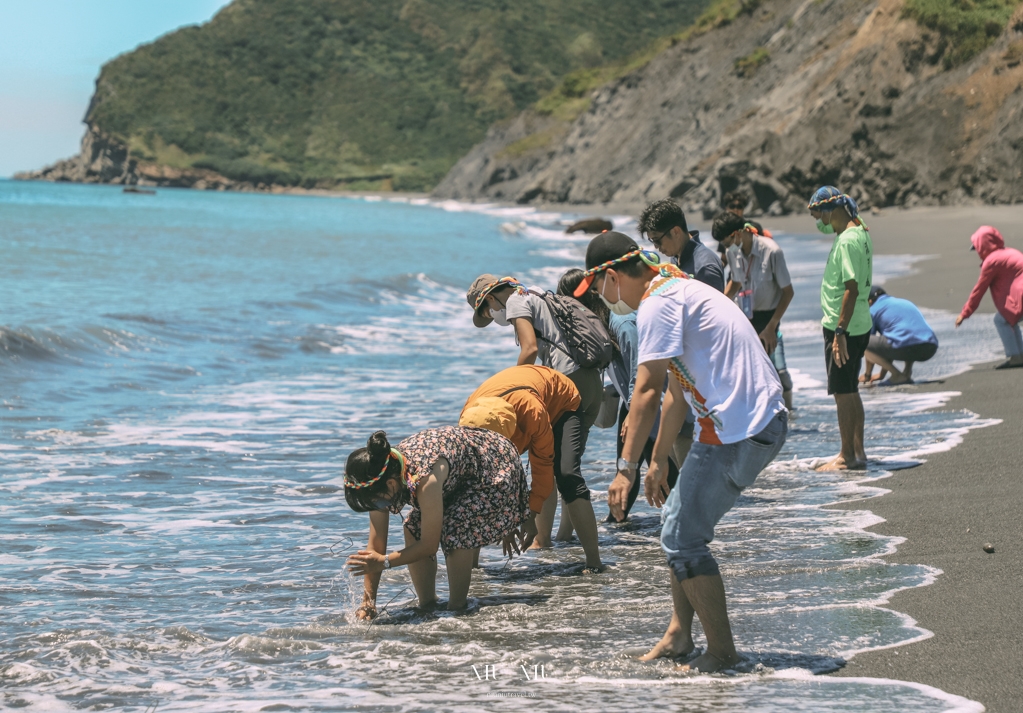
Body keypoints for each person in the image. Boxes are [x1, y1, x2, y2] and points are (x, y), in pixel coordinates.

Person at [574, 232, 788, 673]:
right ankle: (678, 634)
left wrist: (625, 469)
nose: (604, 301)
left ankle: (723, 653)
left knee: (681, 536)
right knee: (677, 519)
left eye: (599, 290)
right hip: (751, 417)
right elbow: (675, 389)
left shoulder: (658, 304)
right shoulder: (675, 286)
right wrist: (656, 461)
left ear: (612, 277)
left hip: (741, 427)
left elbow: (646, 391)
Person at [466, 274, 605, 568]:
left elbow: (529, 349)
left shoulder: (516, 301)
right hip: (592, 381)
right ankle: (563, 537)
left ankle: (551, 542)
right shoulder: (538, 293)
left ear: (490, 299)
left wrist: (518, 382)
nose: (494, 317)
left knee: (556, 466)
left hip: (566, 382)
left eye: (489, 313)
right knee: (567, 469)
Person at [346, 428, 531, 617]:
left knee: (458, 527)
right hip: (459, 474)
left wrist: (384, 562)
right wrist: (368, 603)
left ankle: (458, 608)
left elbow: (429, 545)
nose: (379, 507)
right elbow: (375, 548)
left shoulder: (425, 480)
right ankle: (427, 606)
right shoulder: (382, 475)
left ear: (391, 485)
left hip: (495, 464)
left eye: (378, 502)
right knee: (413, 526)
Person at [559, 269, 679, 522]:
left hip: (647, 402)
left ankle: (682, 521)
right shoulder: (602, 325)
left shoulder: (621, 324)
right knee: (629, 465)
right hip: (632, 402)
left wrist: (633, 411)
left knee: (650, 464)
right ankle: (621, 520)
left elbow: (641, 372)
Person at [458, 364, 603, 571]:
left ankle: (594, 563)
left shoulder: (531, 412)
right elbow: (483, 483)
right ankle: (472, 569)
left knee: (566, 474)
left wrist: (529, 515)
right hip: (521, 390)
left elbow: (541, 468)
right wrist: (506, 524)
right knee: (473, 486)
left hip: (562, 400)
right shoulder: (469, 418)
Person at [808, 186, 873, 472]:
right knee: (850, 389)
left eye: (817, 215)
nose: (818, 223)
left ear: (830, 211)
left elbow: (851, 288)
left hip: (844, 326)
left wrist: (839, 333)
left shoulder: (847, 240)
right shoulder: (860, 231)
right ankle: (858, 452)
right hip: (859, 323)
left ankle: (847, 456)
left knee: (843, 393)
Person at [712, 211, 795, 409]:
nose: (726, 248)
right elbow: (737, 282)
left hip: (768, 318)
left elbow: (788, 292)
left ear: (738, 233)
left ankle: (780, 414)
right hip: (746, 315)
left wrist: (771, 327)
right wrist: (717, 305)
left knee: (770, 373)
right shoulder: (734, 252)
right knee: (748, 372)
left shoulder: (772, 251)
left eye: (726, 242)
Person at [955, 226, 1023, 369]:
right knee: (1008, 319)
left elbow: (979, 289)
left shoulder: (991, 261)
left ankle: (1016, 357)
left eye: (977, 248)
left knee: (1000, 320)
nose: (978, 252)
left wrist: (965, 313)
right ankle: (1019, 355)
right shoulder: (1010, 252)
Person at [638, 198, 725, 292]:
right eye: (652, 241)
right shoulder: (676, 257)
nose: (655, 246)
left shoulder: (705, 267)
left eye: (657, 240)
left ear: (676, 232)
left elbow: (715, 306)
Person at [862, 286, 939, 385]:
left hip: (906, 347)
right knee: (905, 334)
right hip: (930, 347)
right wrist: (882, 374)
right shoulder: (904, 302)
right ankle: (907, 372)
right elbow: (889, 340)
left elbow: (867, 344)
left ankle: (897, 375)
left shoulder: (873, 310)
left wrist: (867, 375)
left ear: (870, 301)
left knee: (861, 342)